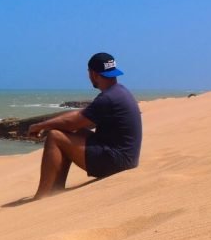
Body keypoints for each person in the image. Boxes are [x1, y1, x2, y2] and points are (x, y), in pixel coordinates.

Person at [26, 52, 142, 200]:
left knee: (55, 136)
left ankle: (43, 196)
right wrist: (48, 124)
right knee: (75, 131)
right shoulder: (119, 91)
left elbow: (71, 123)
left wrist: (40, 126)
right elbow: (79, 116)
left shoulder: (107, 98)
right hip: (125, 157)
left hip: (117, 162)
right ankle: (55, 189)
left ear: (93, 74)